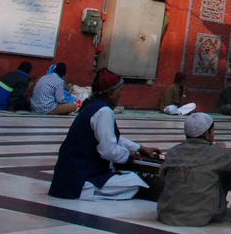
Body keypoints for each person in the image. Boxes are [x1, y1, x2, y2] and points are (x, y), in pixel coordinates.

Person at [48, 68, 162, 200]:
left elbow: (109, 137)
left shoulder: (91, 105)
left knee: (123, 176)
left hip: (64, 178)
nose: (121, 95)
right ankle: (90, 191)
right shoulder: (103, 111)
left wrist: (138, 147)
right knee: (134, 182)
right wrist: (129, 154)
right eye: (120, 91)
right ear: (110, 93)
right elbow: (108, 150)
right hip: (79, 179)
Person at [157, 112, 231, 226]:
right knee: (227, 171)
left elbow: (162, 178)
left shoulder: (173, 151)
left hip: (167, 214)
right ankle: (216, 205)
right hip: (200, 217)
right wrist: (221, 150)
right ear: (207, 134)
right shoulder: (216, 153)